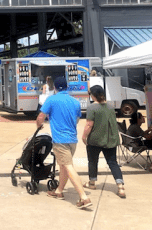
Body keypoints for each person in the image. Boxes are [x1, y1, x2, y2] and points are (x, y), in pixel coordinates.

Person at [36, 76, 92, 209]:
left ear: (54, 87)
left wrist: (39, 125)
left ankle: (83, 197)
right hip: (72, 139)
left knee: (67, 166)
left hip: (60, 140)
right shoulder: (75, 102)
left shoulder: (51, 100)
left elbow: (40, 116)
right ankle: (59, 191)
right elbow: (77, 120)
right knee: (63, 166)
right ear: (67, 87)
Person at [81, 85, 125, 198]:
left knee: (92, 161)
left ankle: (92, 183)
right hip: (110, 139)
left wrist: (84, 136)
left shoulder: (91, 108)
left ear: (93, 95)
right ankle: (120, 186)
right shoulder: (110, 107)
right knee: (112, 163)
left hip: (95, 139)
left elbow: (89, 125)